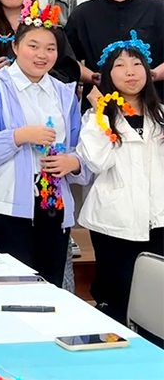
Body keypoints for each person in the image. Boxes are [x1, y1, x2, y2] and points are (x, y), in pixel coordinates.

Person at [0, 9, 91, 288]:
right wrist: (19, 136)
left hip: (53, 204)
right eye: (33, 46)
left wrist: (72, 162)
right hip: (6, 206)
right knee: (11, 289)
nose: (42, 55)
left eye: (50, 48)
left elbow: (80, 147)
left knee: (50, 288)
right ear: (15, 47)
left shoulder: (64, 93)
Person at [76, 35, 164, 330]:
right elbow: (96, 161)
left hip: (158, 221)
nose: (130, 72)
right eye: (121, 66)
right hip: (115, 222)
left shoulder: (161, 115)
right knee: (117, 294)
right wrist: (102, 114)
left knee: (156, 299)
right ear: (108, 75)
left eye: (137, 64)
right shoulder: (97, 117)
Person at [66, 0, 164, 102]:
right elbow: (66, 59)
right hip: (100, 107)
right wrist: (92, 77)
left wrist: (154, 74)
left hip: (155, 104)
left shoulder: (159, 9)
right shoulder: (82, 14)